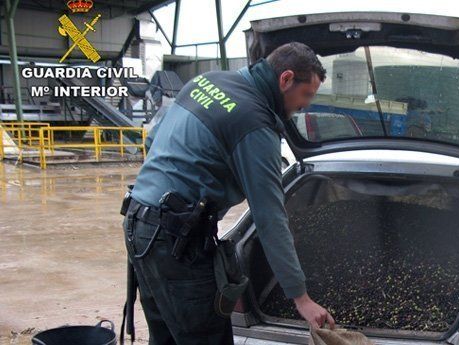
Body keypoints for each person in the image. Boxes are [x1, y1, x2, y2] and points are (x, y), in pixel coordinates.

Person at [122, 42, 334, 345]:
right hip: (176, 241)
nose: (305, 106)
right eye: (306, 95)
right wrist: (300, 298)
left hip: (138, 223)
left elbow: (153, 140)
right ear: (286, 79)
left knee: (166, 338)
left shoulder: (207, 81)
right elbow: (270, 217)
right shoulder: (254, 122)